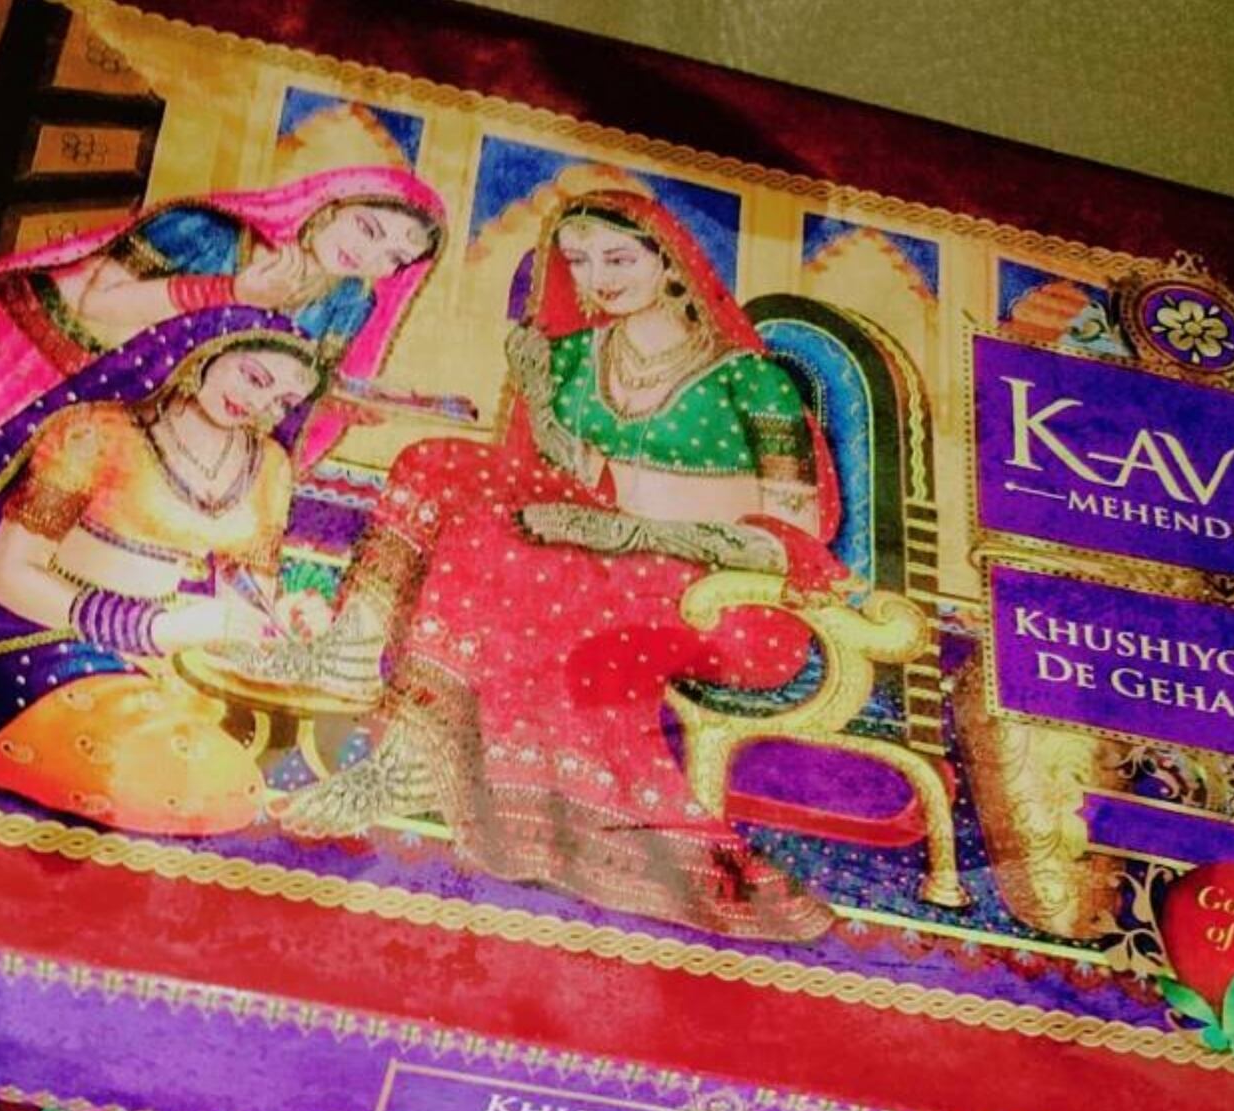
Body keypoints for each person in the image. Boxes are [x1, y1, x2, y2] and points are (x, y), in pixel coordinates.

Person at [269, 190, 847, 941]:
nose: (597, 279)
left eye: (618, 258)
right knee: (434, 464)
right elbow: (560, 477)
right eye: (579, 261)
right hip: (594, 543)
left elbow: (790, 536)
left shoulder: (752, 382)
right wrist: (542, 400)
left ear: (672, 264)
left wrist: (630, 530)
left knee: (502, 546)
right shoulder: (578, 355)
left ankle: (408, 760)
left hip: (711, 583)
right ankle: (349, 653)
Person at [0, 168, 444, 622]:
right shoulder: (210, 231)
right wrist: (233, 292)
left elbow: (278, 380)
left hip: (112, 415)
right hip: (21, 361)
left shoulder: (347, 303)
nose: (373, 255)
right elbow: (97, 304)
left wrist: (340, 402)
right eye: (369, 228)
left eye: (395, 257)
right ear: (330, 204)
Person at [0, 313, 323, 835]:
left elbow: (246, 587)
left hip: (166, 656)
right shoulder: (97, 432)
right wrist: (147, 628)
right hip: (41, 639)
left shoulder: (269, 466)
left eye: (282, 402)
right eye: (253, 377)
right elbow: (6, 575)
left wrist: (283, 614)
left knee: (253, 769)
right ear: (206, 352)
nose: (259, 404)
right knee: (197, 784)